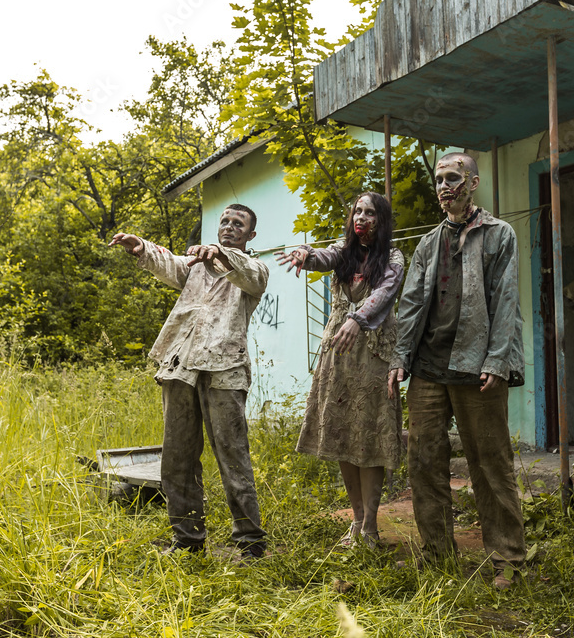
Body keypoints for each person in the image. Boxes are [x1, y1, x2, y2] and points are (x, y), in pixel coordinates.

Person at [387, 153, 525, 587]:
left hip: (477, 367)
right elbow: (411, 304)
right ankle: (437, 556)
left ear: (473, 182)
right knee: (424, 462)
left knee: (490, 463)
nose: (444, 186)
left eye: (453, 178)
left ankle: (507, 559)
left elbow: (506, 300)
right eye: (439, 180)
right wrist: (401, 357)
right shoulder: (429, 243)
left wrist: (498, 360)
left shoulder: (499, 234)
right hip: (429, 368)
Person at [109, 204, 268, 561]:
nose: (229, 226)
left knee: (233, 457)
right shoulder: (196, 266)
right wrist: (142, 247)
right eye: (225, 221)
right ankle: (187, 541)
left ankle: (250, 543)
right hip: (180, 368)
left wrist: (221, 254)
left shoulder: (254, 269)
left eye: (238, 223)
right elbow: (171, 264)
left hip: (225, 373)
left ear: (250, 235)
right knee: (177, 458)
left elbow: (248, 273)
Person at [276, 192, 404, 548]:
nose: (361, 217)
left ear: (382, 220)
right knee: (345, 436)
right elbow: (322, 258)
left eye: (370, 212)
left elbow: (384, 294)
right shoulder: (342, 251)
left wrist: (357, 319)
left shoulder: (393, 257)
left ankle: (371, 527)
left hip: (375, 354)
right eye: (357, 211)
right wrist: (305, 254)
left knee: (369, 436)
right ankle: (357, 520)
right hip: (339, 354)